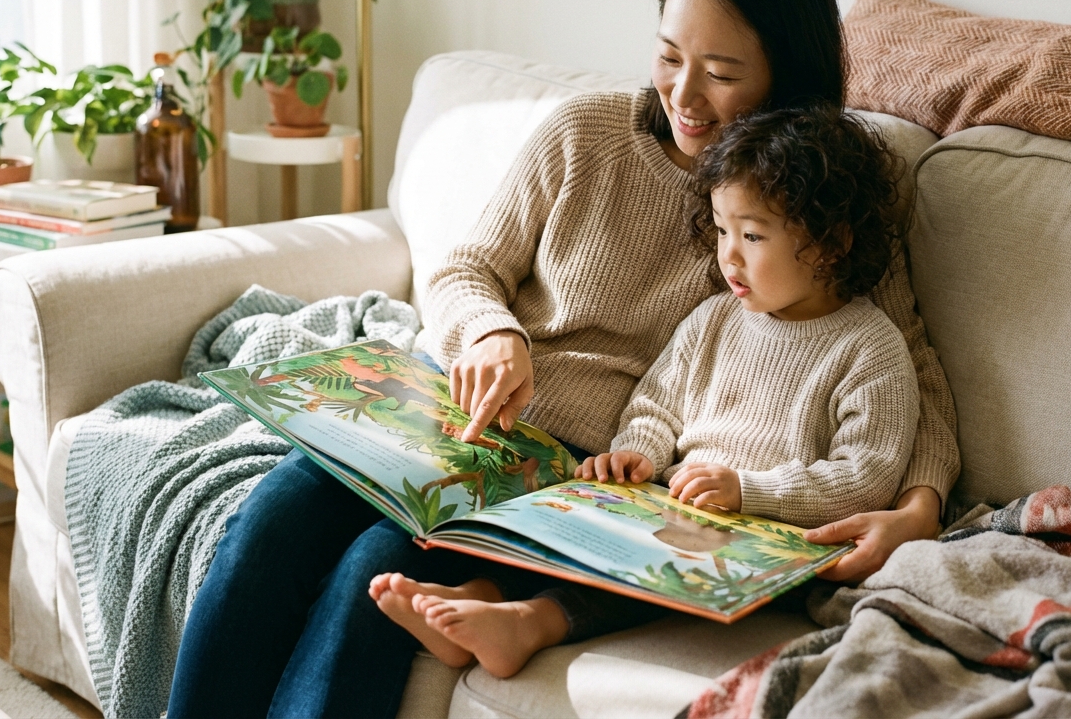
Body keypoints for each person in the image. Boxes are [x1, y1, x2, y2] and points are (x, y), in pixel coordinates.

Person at [167, 0, 958, 718]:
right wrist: (489, 331)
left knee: (370, 574)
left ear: (786, 73)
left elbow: (909, 362)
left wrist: (920, 504)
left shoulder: (818, 200)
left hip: (575, 470)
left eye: (721, 73)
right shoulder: (585, 133)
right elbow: (467, 268)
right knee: (266, 526)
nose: (684, 96)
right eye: (669, 57)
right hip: (448, 415)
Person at [390, 104, 922, 678]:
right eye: (721, 230)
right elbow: (656, 403)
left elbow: (867, 476)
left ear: (831, 243)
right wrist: (638, 453)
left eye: (752, 235)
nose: (729, 255)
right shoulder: (714, 318)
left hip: (775, 545)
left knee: (664, 561)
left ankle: (528, 625)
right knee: (588, 520)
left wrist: (749, 491)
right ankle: (486, 591)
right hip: (678, 509)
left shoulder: (871, 347)